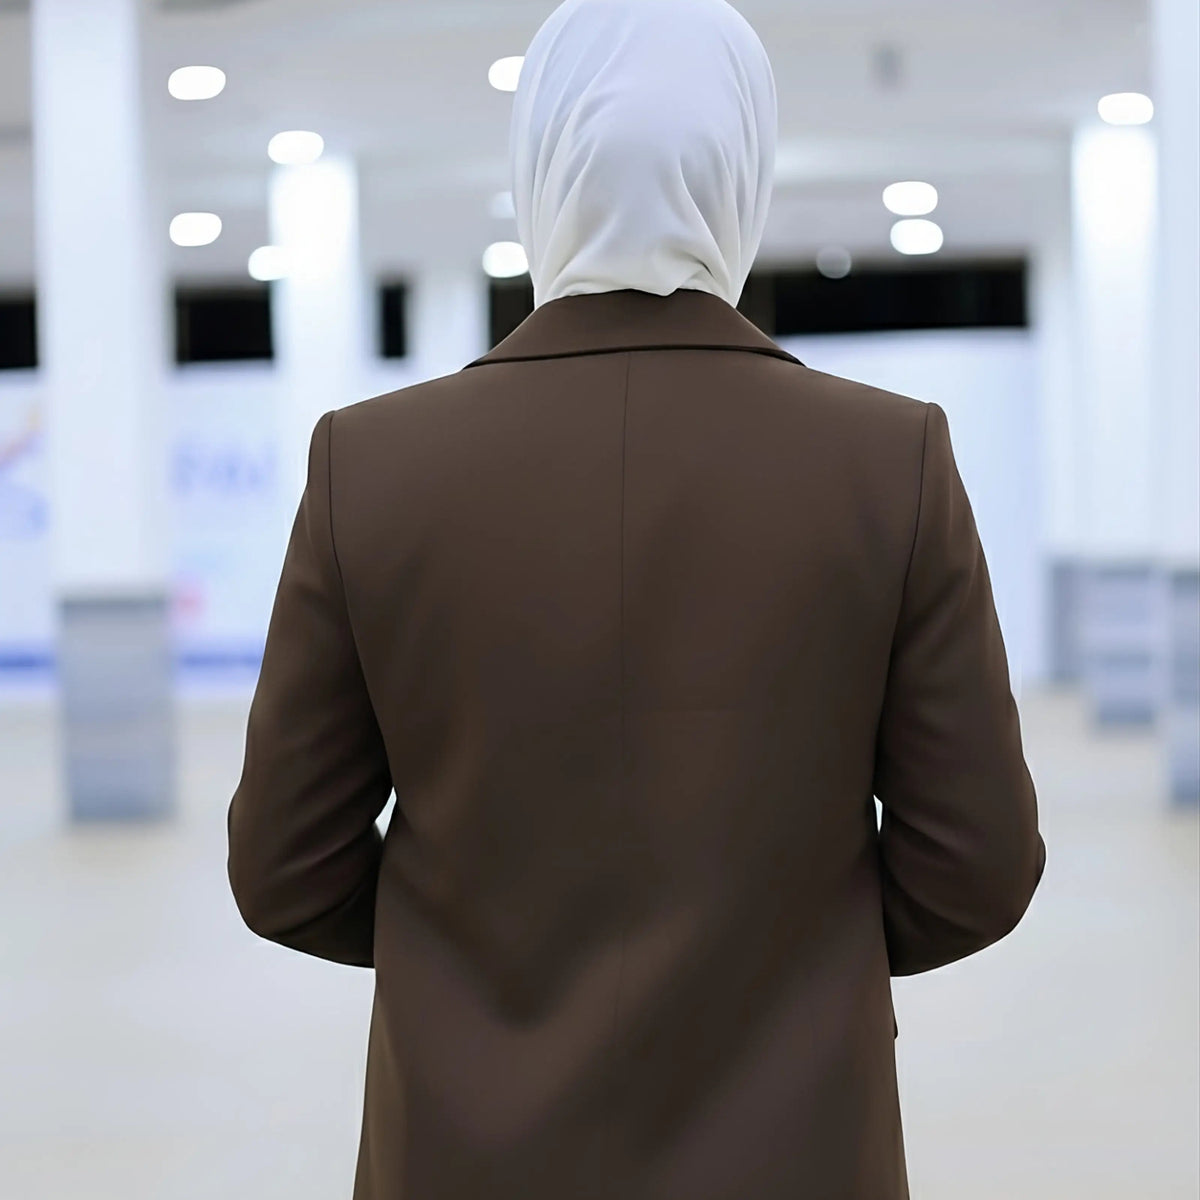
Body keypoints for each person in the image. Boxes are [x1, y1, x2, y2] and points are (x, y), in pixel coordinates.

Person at [226, 0, 1047, 1195]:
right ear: (744, 166)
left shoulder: (373, 464)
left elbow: (284, 870)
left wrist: (465, 954)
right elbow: (976, 868)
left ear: (539, 164)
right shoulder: (888, 460)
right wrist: (792, 961)